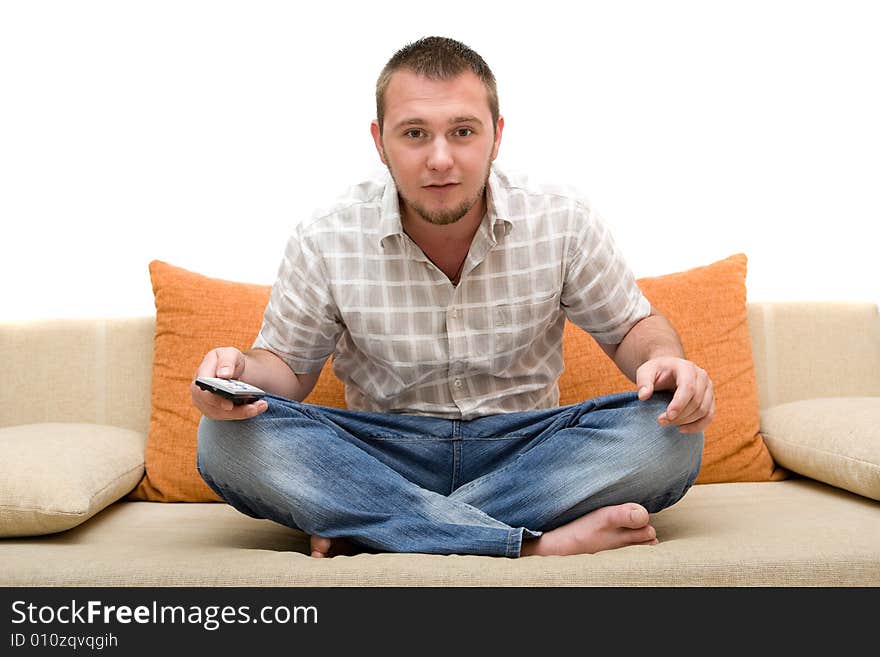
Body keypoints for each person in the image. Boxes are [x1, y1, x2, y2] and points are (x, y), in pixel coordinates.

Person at [192, 36, 715, 559]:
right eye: (414, 134)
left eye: (462, 132)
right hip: (382, 452)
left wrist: (666, 360)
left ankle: (382, 530)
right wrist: (238, 376)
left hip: (527, 450)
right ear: (380, 141)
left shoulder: (562, 221)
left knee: (669, 432)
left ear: (496, 135)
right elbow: (286, 369)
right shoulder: (326, 236)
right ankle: (527, 545)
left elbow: (631, 329)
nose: (440, 159)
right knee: (224, 440)